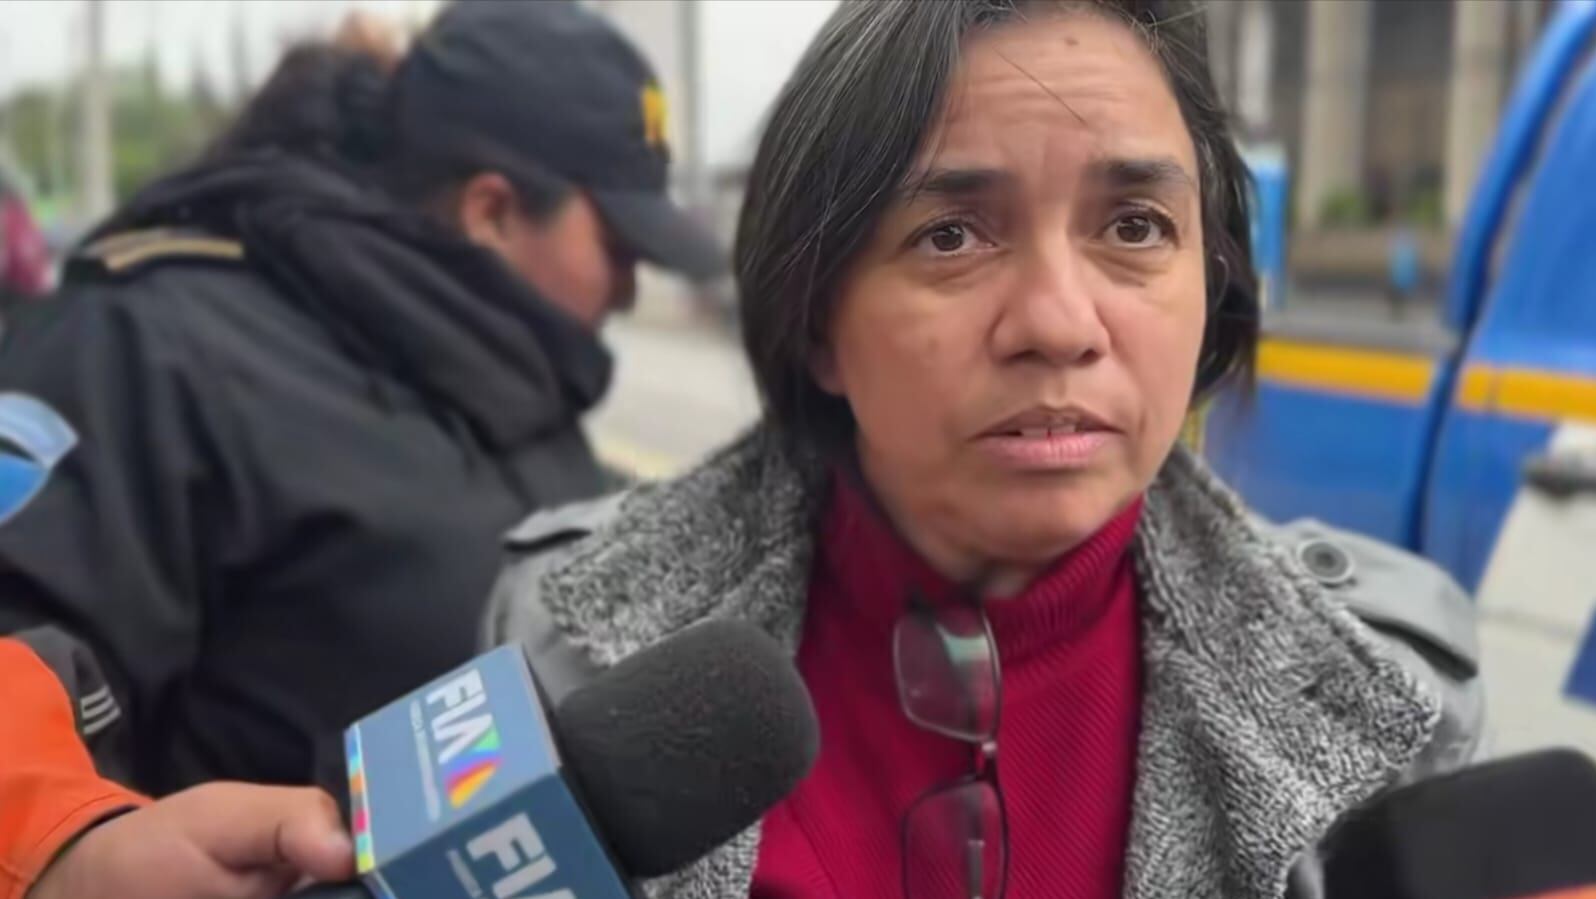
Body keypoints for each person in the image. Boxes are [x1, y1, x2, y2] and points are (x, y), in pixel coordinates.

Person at [489, 2, 1486, 898]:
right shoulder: (561, 645)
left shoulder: (1397, 696)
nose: (1058, 323)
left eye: (1135, 225)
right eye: (952, 236)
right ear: (818, 321)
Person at [0, 2, 721, 896]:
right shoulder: (144, 350)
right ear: (492, 210)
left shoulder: (521, 383)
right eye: (616, 247)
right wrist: (68, 852)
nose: (627, 288)